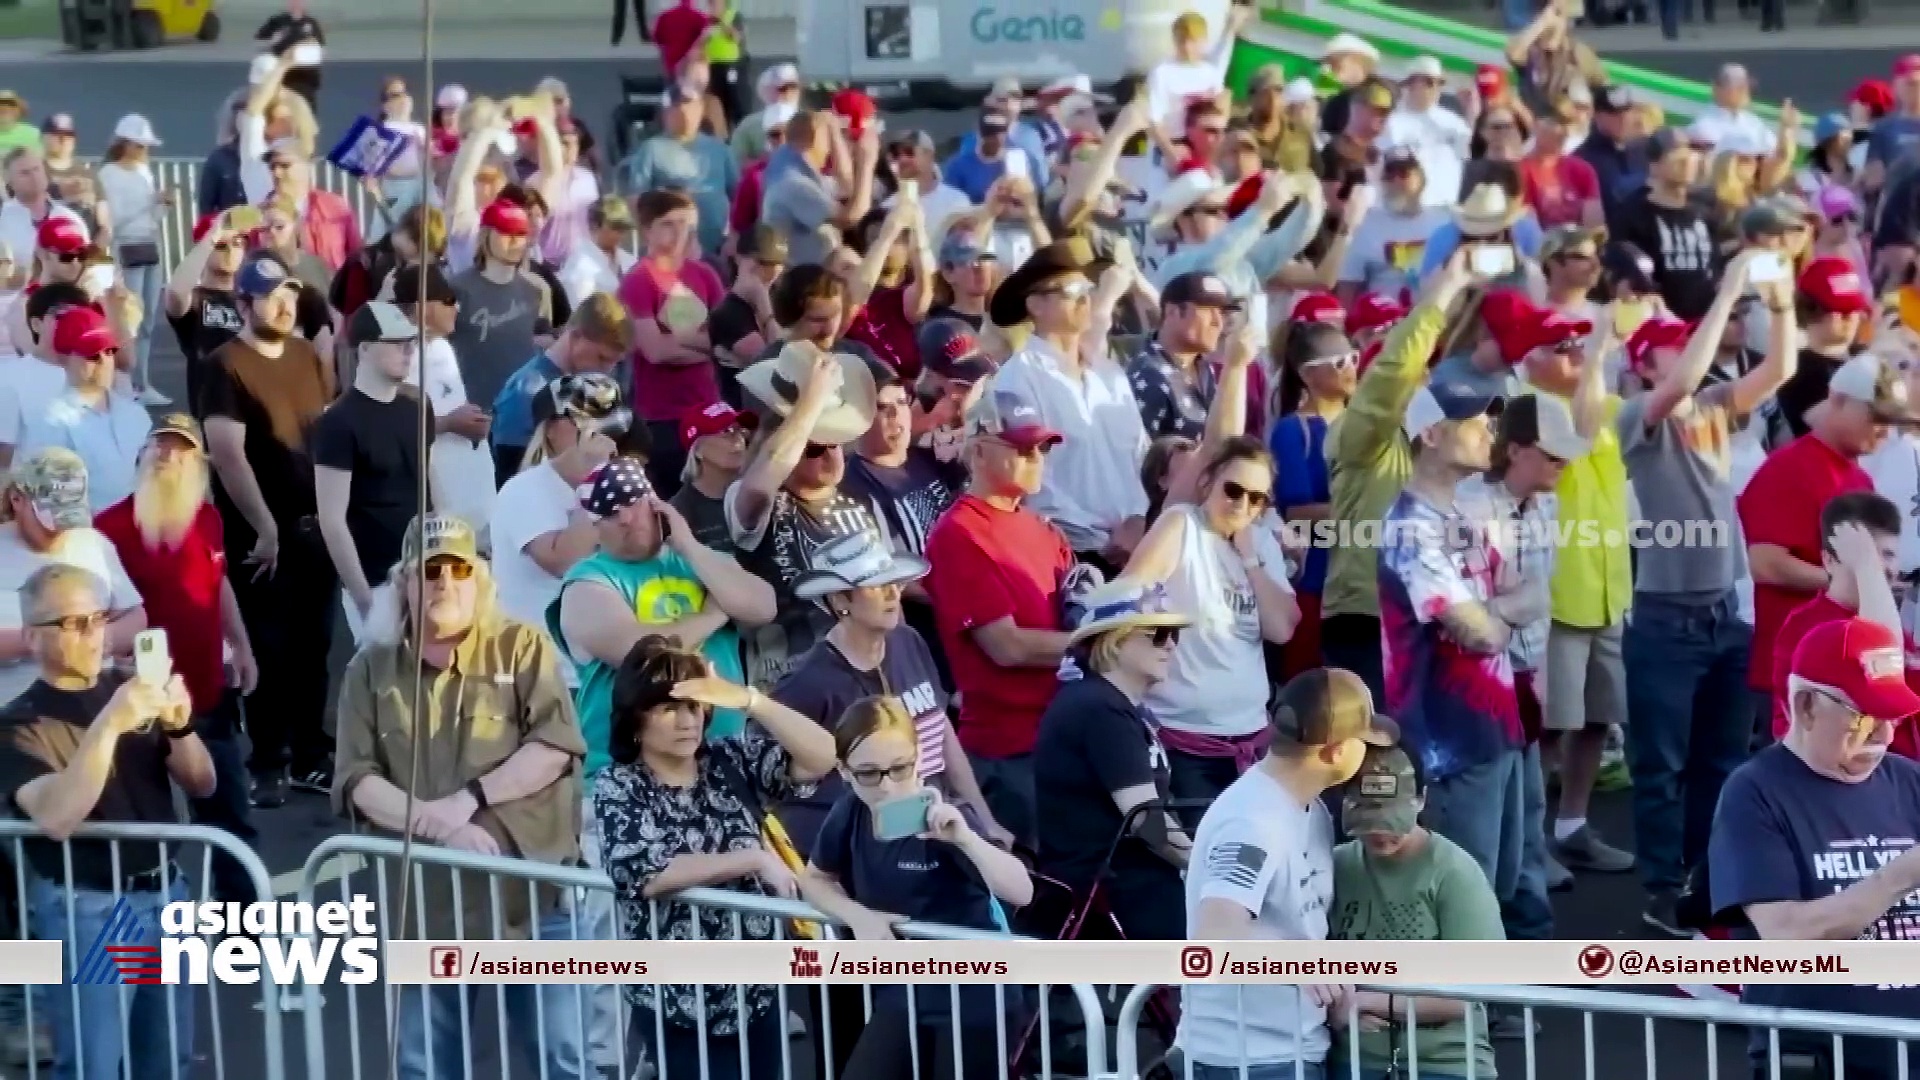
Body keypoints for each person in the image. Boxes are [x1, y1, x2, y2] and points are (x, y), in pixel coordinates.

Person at [333, 515, 592, 1080]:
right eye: (430, 570)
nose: (445, 582)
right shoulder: (369, 668)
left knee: (564, 1061)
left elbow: (554, 747)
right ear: (404, 581)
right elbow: (356, 780)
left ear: (480, 579)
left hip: (533, 904)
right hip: (426, 912)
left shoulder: (520, 646)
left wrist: (468, 800)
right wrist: (441, 825)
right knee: (425, 1068)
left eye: (459, 569)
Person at [1621, 254, 1795, 935]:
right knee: (1660, 765)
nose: (1692, 349)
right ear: (1644, 364)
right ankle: (1662, 888)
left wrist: (1778, 303)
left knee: (1720, 761)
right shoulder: (1640, 414)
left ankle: (1709, 881)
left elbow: (1778, 371)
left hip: (1725, 614)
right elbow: (1686, 376)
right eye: (1673, 343)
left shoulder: (1717, 408)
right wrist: (1728, 290)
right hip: (1666, 621)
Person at [592, 637, 836, 1080]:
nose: (687, 721)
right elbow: (646, 872)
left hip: (756, 990)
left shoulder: (729, 760)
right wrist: (751, 859)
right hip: (676, 998)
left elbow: (822, 756)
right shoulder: (620, 784)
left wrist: (750, 700)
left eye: (694, 706)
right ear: (634, 718)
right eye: (668, 707)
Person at [0, 564, 208, 1080]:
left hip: (166, 897)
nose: (94, 634)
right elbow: (57, 814)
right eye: (72, 623)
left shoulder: (130, 689)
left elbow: (203, 783)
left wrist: (179, 726)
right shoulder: (19, 723)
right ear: (32, 635)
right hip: (91, 909)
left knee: (168, 1060)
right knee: (96, 1065)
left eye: (98, 617)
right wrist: (111, 722)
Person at [1709, 617, 1920, 1079]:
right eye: (1864, 719)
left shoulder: (1908, 781)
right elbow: (1786, 935)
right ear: (1805, 706)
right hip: (1822, 1059)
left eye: (1894, 717)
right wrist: (1901, 875)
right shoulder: (1755, 792)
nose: (1884, 736)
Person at [1381, 381, 1549, 934]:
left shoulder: (1463, 517)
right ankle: (1466, 1017)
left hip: (1497, 730)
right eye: (1478, 422)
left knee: (1496, 891)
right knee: (1464, 902)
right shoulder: (1410, 528)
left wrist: (1486, 612)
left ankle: (1492, 1014)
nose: (1491, 433)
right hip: (1448, 745)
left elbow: (1535, 594)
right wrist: (1494, 616)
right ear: (1432, 434)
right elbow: (1480, 634)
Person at [797, 695, 1033, 1080]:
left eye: (900, 769)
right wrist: (859, 917)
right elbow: (815, 878)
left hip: (974, 996)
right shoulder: (850, 811)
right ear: (843, 771)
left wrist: (965, 840)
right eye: (869, 773)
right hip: (901, 990)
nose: (887, 786)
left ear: (918, 758)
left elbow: (1021, 891)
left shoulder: (945, 816)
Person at [1178, 668, 1398, 1080]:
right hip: (1243, 1058)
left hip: (1287, 1049)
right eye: (1362, 743)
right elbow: (1217, 934)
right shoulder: (1252, 820)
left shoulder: (1308, 810)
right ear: (1334, 751)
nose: (1368, 754)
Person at [93, 416, 259, 905]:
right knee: (143, 831)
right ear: (140, 458)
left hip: (205, 698)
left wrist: (241, 644)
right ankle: (143, 934)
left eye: (181, 450)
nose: (168, 457)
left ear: (198, 464)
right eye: (158, 447)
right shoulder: (109, 530)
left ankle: (241, 931)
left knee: (229, 820)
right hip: (138, 711)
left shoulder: (207, 518)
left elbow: (219, 580)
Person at [198, 252, 337, 808]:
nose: (282, 303)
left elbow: (323, 430)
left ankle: (310, 756)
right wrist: (264, 528)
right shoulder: (223, 364)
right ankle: (268, 761)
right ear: (242, 303)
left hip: (315, 530)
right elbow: (228, 455)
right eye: (268, 293)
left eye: (288, 293)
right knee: (267, 652)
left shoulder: (306, 355)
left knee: (314, 649)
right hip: (262, 542)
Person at [772, 529, 1003, 852]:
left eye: (894, 581)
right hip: (864, 850)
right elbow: (776, 783)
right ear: (840, 600)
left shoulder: (909, 640)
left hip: (935, 826)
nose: (893, 593)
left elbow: (941, 731)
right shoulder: (807, 682)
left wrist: (983, 818)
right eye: (876, 585)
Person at [922, 384, 1075, 851]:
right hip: (1005, 752)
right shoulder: (960, 533)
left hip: (1059, 736)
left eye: (1041, 447)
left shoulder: (1043, 528)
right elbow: (1006, 647)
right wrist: (1098, 640)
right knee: (1033, 895)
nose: (1035, 456)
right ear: (980, 450)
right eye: (1022, 446)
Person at [554, 455, 774, 772]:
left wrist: (689, 546)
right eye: (611, 514)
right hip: (626, 774)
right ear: (596, 527)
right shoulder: (586, 582)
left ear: (656, 504)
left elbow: (764, 608)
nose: (626, 518)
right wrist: (715, 614)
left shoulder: (703, 561)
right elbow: (640, 654)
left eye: (633, 502)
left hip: (722, 763)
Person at [1321, 256, 1474, 704]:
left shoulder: (1442, 451)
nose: (1429, 383)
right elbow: (1393, 376)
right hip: (1367, 617)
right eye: (1421, 375)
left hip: (1432, 613)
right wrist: (1442, 295)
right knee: (1371, 757)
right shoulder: (1359, 437)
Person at [1741, 354, 1909, 751]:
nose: (1883, 432)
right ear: (1836, 400)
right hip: (1794, 662)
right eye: (1875, 417)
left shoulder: (1859, 476)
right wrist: (1855, 578)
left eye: (1890, 421)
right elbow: (1764, 562)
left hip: (1846, 664)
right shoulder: (1790, 468)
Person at [1326, 745, 1503, 1080]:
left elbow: (1471, 993)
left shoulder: (1454, 873)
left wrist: (1365, 1002)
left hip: (1444, 1063)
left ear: (1421, 800)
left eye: (1392, 818)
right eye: (1368, 818)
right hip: (1355, 1059)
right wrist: (1337, 1009)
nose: (1380, 832)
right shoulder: (1337, 864)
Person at [1033, 579, 1195, 939]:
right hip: (1115, 902)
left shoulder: (1108, 704)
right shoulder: (1099, 709)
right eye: (1157, 634)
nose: (1170, 645)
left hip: (1124, 895)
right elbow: (1145, 820)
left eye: (1174, 635)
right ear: (1116, 642)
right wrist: (1203, 865)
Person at [726, 343, 882, 689]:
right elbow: (762, 480)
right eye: (814, 448)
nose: (831, 458)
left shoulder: (859, 504)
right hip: (792, 681)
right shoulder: (754, 500)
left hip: (864, 674)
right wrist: (809, 405)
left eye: (836, 443)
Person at [990, 240, 1149, 574]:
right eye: (1073, 289)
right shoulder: (1017, 380)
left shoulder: (1110, 373)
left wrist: (1136, 519)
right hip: (1071, 555)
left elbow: (1139, 457)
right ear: (1036, 305)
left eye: (1088, 288)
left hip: (1137, 547)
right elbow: (1033, 481)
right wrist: (1100, 540)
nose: (1086, 298)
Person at [1768, 495, 1920, 760]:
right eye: (1868, 554)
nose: (1881, 567)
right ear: (1828, 560)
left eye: (1889, 555)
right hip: (1840, 777)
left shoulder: (1891, 622)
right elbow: (1885, 667)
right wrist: (1866, 568)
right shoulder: (1809, 627)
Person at [314, 302, 428, 638]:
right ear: (364, 348)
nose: (408, 351)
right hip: (377, 582)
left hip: (424, 574)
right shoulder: (337, 423)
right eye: (396, 342)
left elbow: (431, 488)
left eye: (411, 342)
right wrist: (364, 600)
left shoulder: (416, 410)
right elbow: (332, 521)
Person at [622, 189, 727, 496]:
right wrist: (705, 346)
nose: (680, 231)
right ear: (647, 230)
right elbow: (655, 351)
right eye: (669, 223)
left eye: (685, 222)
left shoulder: (705, 275)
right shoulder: (638, 280)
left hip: (709, 409)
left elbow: (726, 340)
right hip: (662, 417)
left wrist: (679, 337)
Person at [15, 307, 151, 515]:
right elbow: (45, 502)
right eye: (92, 355)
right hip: (86, 538)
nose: (104, 362)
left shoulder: (136, 414)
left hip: (136, 533)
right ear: (64, 357)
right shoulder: (48, 422)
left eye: (109, 351)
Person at [490, 293, 635, 485]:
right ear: (575, 335)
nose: (608, 370)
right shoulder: (525, 392)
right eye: (602, 358)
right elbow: (508, 475)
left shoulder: (591, 388)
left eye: (615, 362)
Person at [448, 198, 550, 423]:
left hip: (522, 415)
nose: (514, 241)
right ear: (486, 234)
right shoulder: (456, 289)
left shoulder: (536, 291)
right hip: (473, 416)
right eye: (505, 232)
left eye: (521, 233)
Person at [94, 115, 171, 406]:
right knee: (131, 319)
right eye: (140, 146)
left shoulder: (144, 171)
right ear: (124, 144)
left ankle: (143, 381)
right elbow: (114, 220)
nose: (144, 152)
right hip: (126, 248)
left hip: (150, 245)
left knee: (149, 317)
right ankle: (131, 382)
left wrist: (161, 206)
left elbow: (151, 218)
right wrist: (149, 203)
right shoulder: (109, 175)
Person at [614, 84, 738, 261]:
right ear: (665, 113)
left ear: (701, 109)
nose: (683, 111)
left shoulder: (720, 150)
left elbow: (738, 198)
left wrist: (733, 237)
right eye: (676, 107)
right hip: (668, 251)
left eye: (688, 105)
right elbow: (636, 200)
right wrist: (649, 238)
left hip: (715, 248)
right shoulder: (651, 149)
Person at [1614, 129, 1718, 320]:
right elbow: (1623, 275)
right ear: (1654, 164)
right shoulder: (1634, 212)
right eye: (1676, 156)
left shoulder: (1705, 211)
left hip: (1705, 323)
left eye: (1691, 155)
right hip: (1659, 323)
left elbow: (1714, 264)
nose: (1687, 161)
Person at [1127, 271, 1234, 441]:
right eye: (1207, 309)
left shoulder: (1203, 367)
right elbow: (1141, 459)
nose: (1218, 322)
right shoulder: (1149, 377)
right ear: (1172, 312)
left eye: (1222, 312)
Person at [163, 211, 250, 412]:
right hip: (212, 410)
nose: (230, 251)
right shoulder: (195, 299)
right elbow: (175, 292)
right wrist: (213, 235)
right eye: (221, 245)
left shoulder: (252, 299)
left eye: (237, 244)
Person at [672, 401, 754, 551]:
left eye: (739, 430)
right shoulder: (680, 513)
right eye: (725, 431)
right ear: (697, 450)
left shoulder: (758, 490)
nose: (737, 439)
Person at [559, 195, 639, 310]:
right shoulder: (579, 266)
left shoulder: (629, 260)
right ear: (595, 225)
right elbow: (582, 314)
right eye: (615, 227)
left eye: (623, 228)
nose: (621, 234)